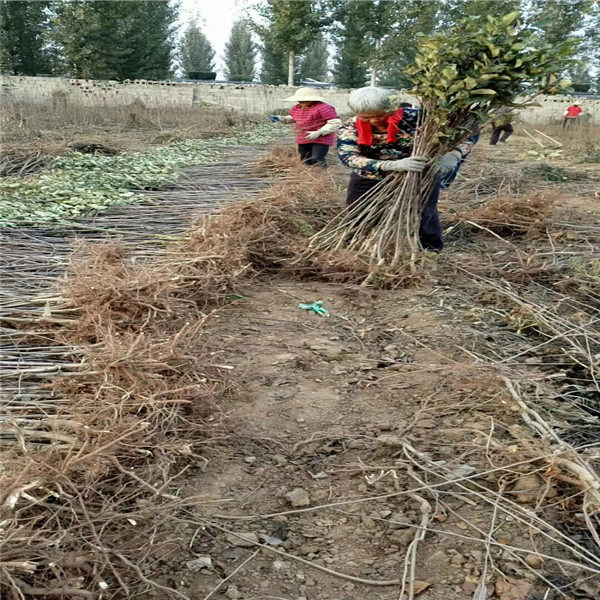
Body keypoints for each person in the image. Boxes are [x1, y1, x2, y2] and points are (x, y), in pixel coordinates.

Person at [337, 87, 478, 252]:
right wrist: (390, 165)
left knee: (424, 212)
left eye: (379, 115)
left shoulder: (417, 119)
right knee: (358, 210)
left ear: (391, 108)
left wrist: (454, 154)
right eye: (366, 117)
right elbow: (348, 156)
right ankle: (354, 244)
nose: (374, 121)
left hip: (418, 173)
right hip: (370, 175)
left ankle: (430, 250)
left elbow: (469, 131)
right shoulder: (350, 127)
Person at [267, 87, 341, 167]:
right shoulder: (296, 108)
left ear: (312, 99)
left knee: (317, 158)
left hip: (321, 138)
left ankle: (320, 175)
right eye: (300, 100)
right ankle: (308, 174)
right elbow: (293, 118)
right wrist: (281, 119)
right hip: (304, 137)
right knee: (304, 158)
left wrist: (319, 132)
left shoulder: (324, 108)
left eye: (304, 100)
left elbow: (334, 122)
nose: (301, 101)